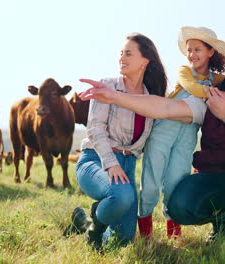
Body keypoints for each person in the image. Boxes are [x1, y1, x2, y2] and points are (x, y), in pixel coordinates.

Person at [78, 41, 225, 258]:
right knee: (169, 211)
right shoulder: (211, 96)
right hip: (215, 176)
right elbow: (164, 107)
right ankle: (220, 219)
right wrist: (115, 96)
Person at [137, 26, 225, 240]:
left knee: (175, 182)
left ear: (211, 52)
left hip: (188, 134)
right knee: (152, 183)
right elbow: (195, 89)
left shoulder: (217, 78)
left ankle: (175, 237)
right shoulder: (184, 72)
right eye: (189, 50)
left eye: (197, 49)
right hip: (165, 128)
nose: (191, 54)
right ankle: (145, 236)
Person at [68, 33, 168, 251]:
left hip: (128, 166)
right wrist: (111, 163)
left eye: (128, 54)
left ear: (145, 61)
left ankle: (86, 222)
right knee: (121, 196)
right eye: (121, 53)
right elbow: (95, 129)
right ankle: (95, 230)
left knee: (122, 240)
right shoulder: (108, 86)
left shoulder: (152, 97)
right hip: (96, 160)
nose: (121, 58)